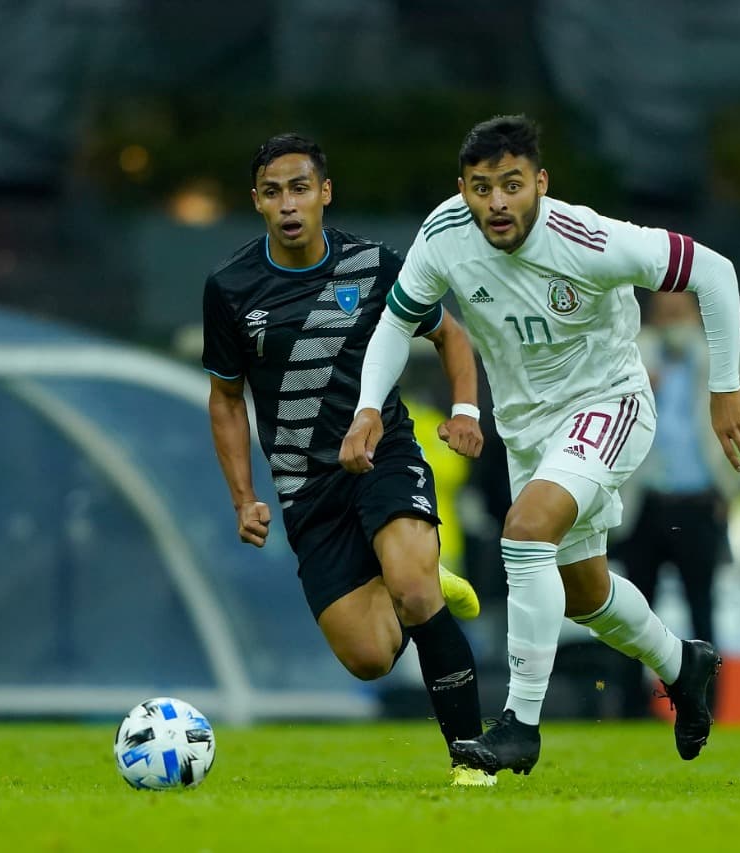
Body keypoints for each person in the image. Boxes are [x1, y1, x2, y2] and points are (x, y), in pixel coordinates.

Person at [341, 115, 740, 775]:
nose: (497, 202)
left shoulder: (587, 238)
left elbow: (714, 271)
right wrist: (368, 406)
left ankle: (521, 723)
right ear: (463, 188)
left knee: (526, 530)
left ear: (540, 182)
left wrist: (725, 386)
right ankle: (684, 663)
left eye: (512, 184)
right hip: (528, 430)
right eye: (482, 188)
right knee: (586, 592)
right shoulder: (444, 235)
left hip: (609, 403)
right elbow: (398, 322)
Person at [202, 134, 492, 786]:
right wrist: (242, 494)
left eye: (300, 187)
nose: (288, 204)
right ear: (256, 202)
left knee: (416, 591)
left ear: (324, 192)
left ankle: (472, 758)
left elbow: (450, 335)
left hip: (384, 454)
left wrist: (466, 412)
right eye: (273, 192)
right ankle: (414, 578)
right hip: (307, 486)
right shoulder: (230, 288)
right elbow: (225, 398)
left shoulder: (377, 265)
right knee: (369, 655)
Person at [614, 290, 740, 717]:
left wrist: (737, 483)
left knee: (702, 607)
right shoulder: (628, 357)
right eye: (664, 312)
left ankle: (707, 706)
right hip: (643, 502)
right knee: (629, 610)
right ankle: (629, 711)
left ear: (696, 315)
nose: (672, 321)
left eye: (680, 312)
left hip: (700, 502)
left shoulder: (722, 360)